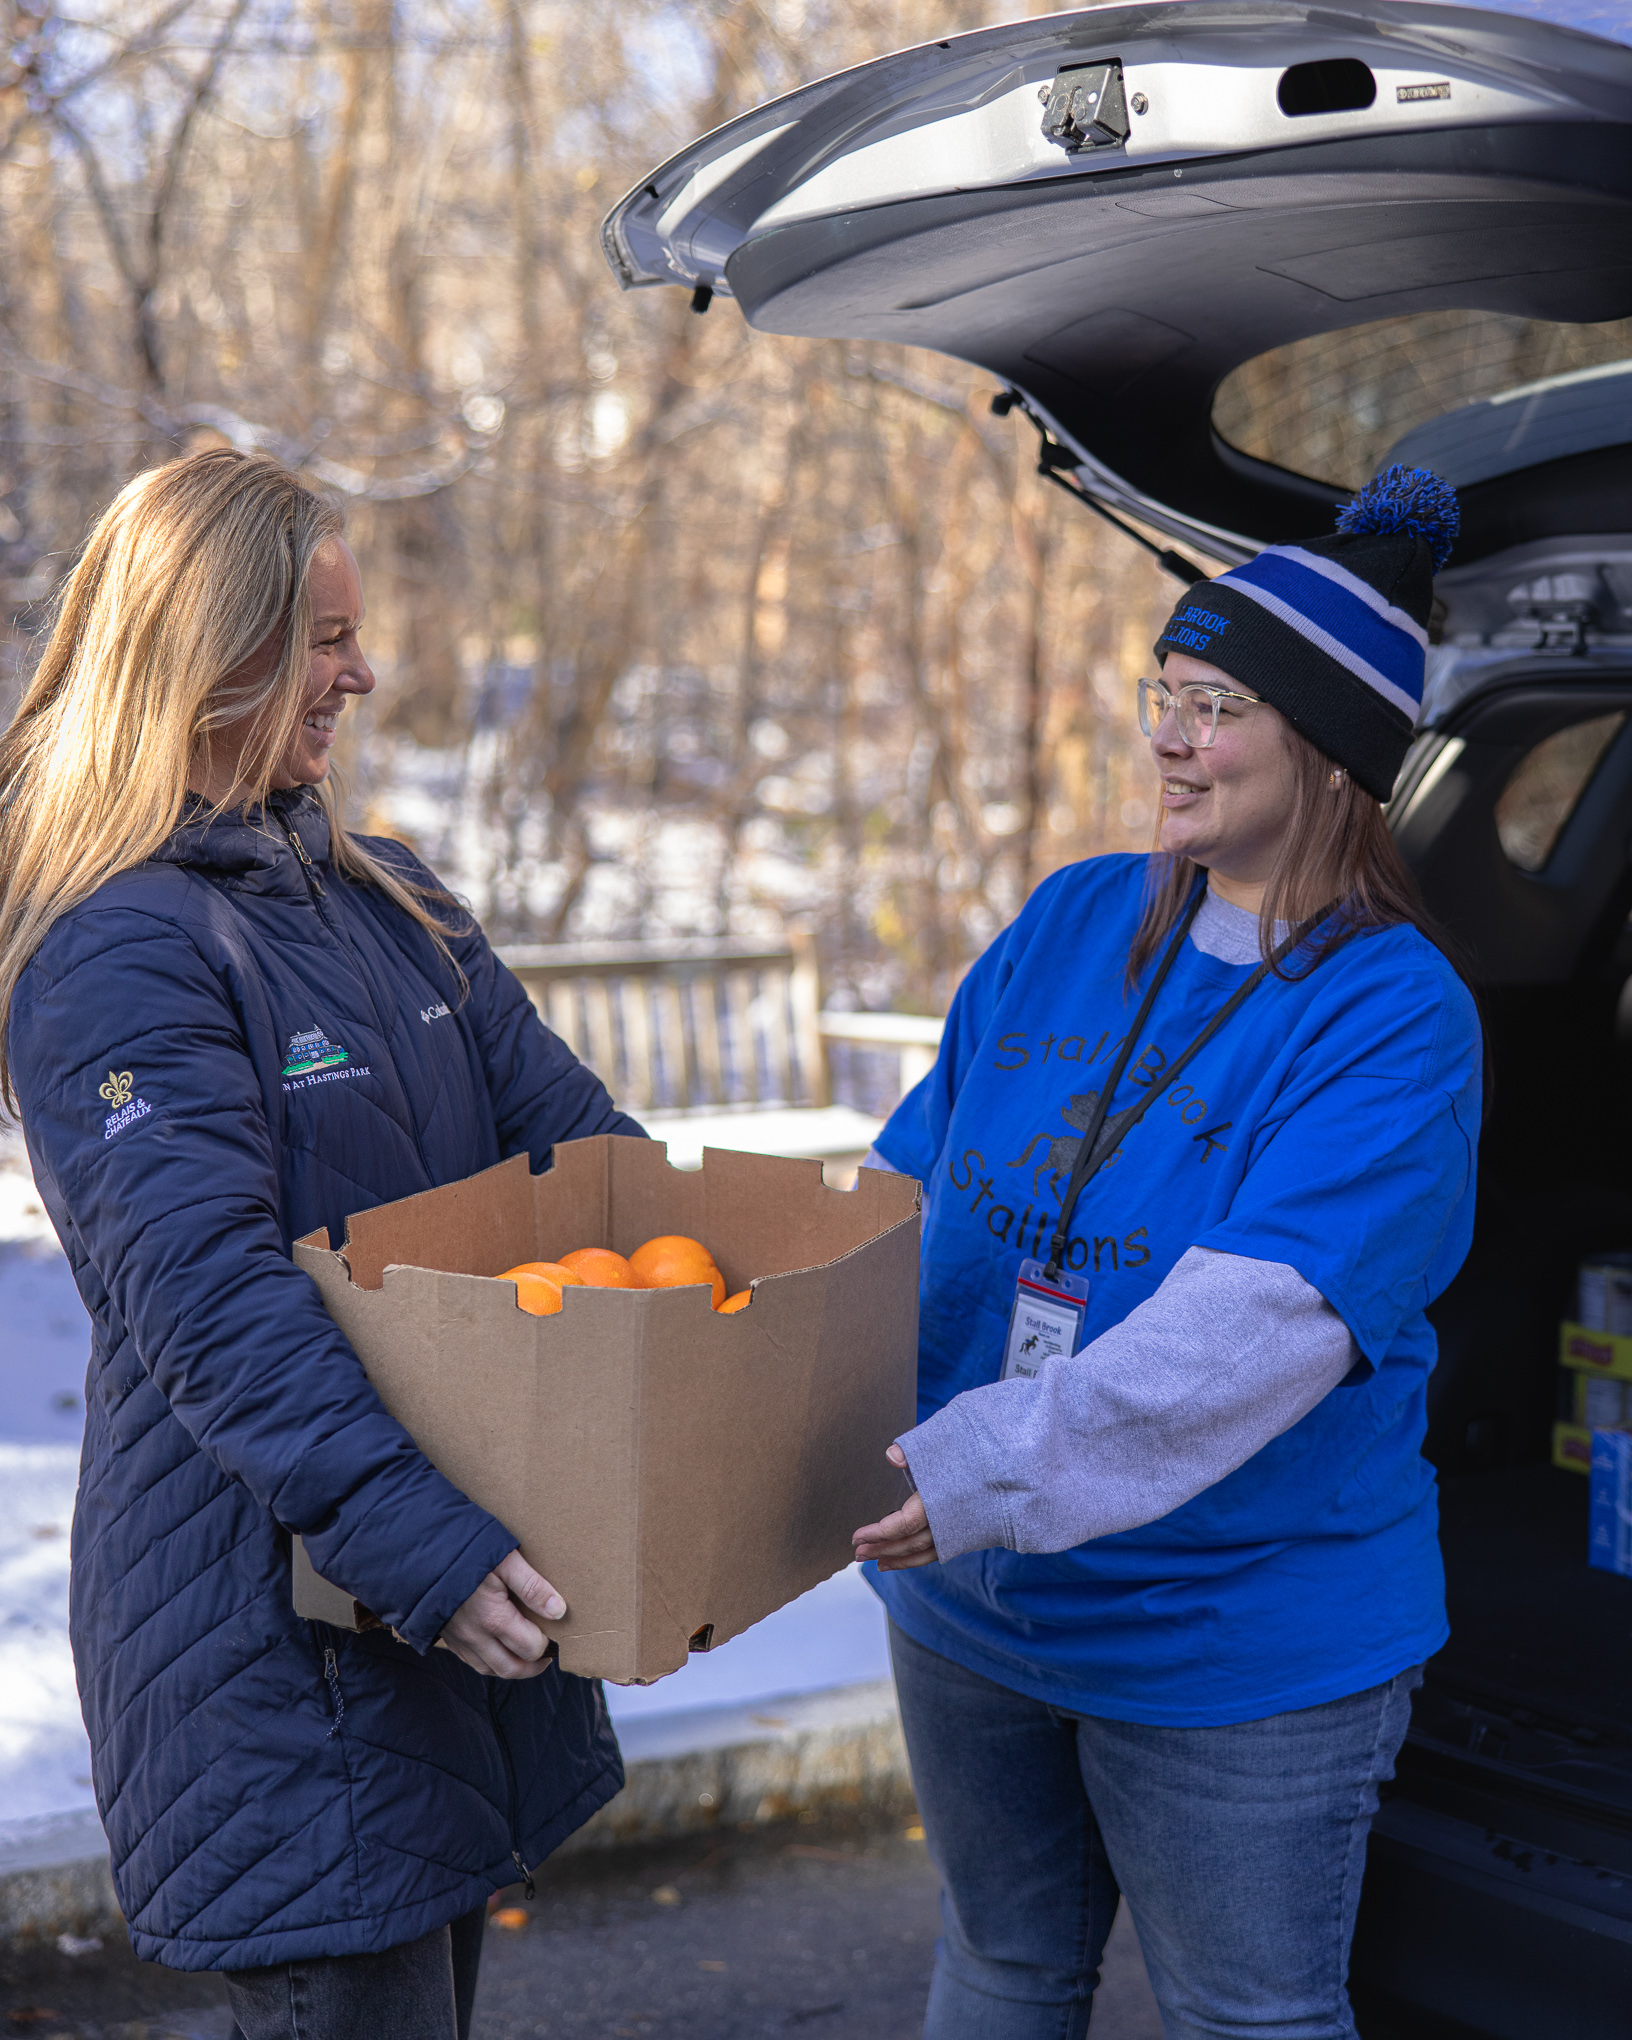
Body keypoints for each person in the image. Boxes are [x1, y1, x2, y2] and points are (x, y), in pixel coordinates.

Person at [0, 449, 645, 2038]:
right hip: (272, 1646)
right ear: (208, 657)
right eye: (326, 638)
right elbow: (207, 1298)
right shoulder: (118, 949)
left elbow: (585, 1159)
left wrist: (711, 1374)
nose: (363, 671)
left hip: (434, 1593)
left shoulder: (388, 898)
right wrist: (417, 1540)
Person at [851, 468, 1481, 2040]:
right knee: (999, 1965)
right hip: (973, 1599)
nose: (1167, 735)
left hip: (1238, 1637)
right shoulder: (1071, 919)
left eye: (1214, 705)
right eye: (1164, 694)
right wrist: (764, 1378)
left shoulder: (1394, 1017)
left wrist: (983, 1466)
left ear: (1330, 750)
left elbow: (1258, 1332)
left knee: (1244, 2017)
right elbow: (897, 1198)